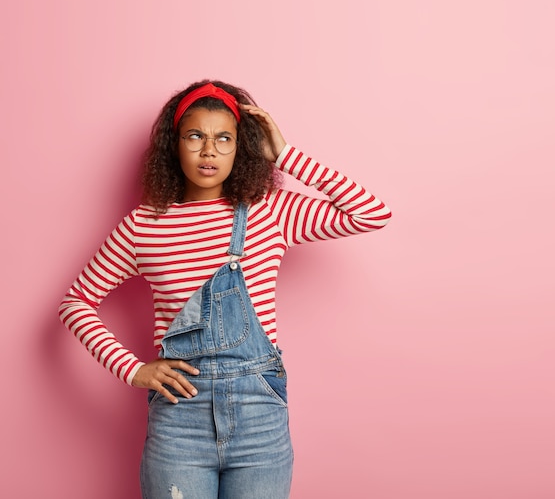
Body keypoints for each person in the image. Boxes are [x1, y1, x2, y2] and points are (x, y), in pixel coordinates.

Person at [59, 80, 391, 499]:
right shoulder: (144, 226)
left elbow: (371, 213)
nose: (209, 150)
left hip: (260, 418)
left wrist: (286, 155)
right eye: (195, 136)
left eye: (224, 139)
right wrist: (133, 369)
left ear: (241, 147)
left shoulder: (271, 211)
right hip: (180, 421)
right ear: (174, 144)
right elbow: (76, 301)